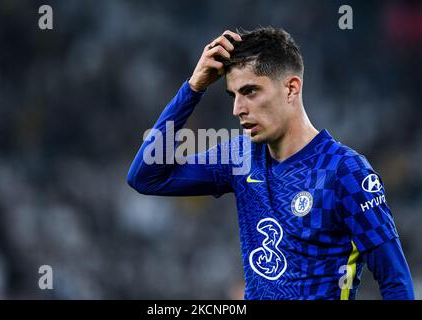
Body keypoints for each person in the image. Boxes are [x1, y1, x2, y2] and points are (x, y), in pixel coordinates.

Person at [127, 27, 414, 300]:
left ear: (291, 88)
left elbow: (395, 281)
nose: (237, 109)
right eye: (234, 95)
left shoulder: (344, 171)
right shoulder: (240, 157)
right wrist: (193, 88)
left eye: (250, 91)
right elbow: (146, 177)